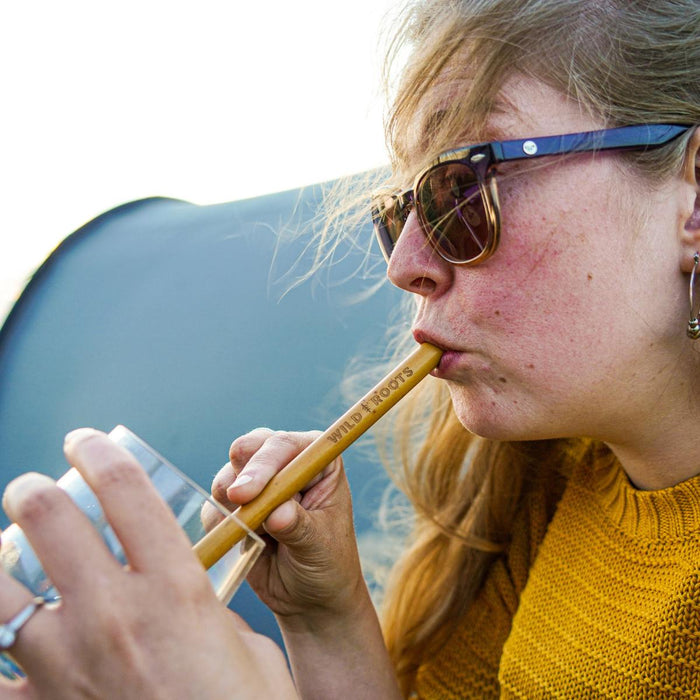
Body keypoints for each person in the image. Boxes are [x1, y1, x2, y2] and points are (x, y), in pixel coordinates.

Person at [0, 0, 699, 697]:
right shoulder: (557, 484)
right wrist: (325, 621)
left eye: (465, 187)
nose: (405, 263)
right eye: (403, 211)